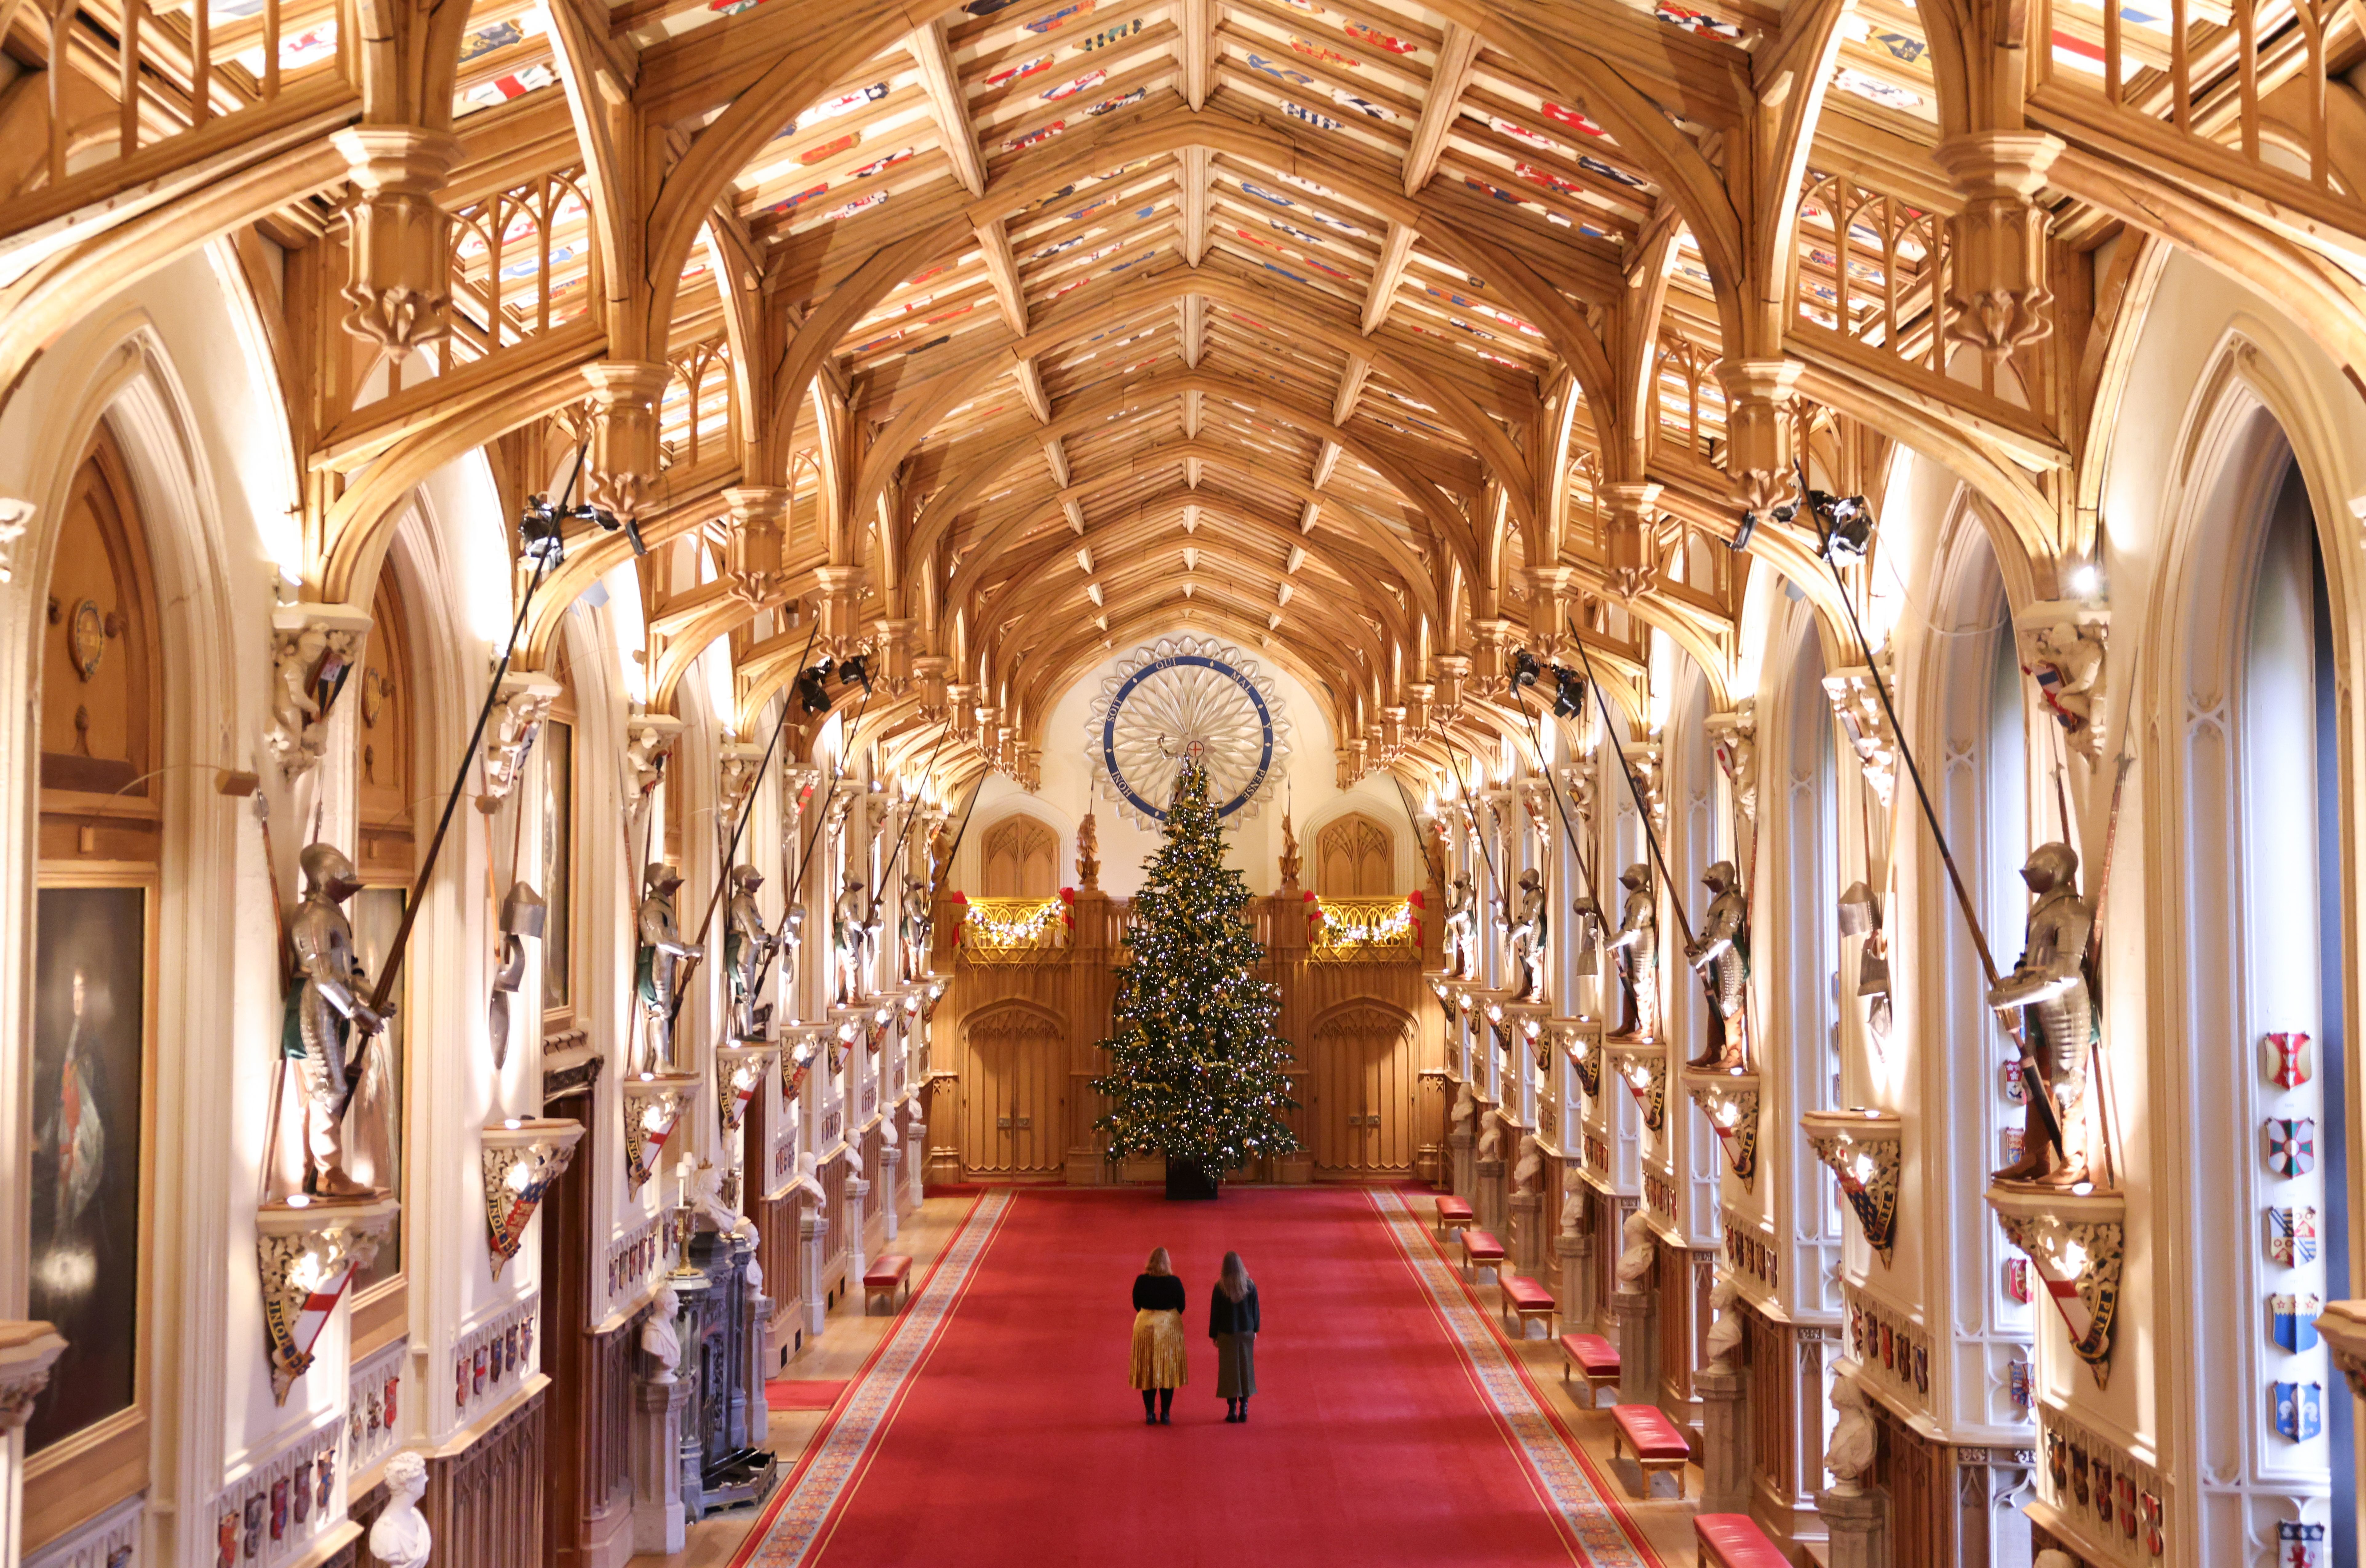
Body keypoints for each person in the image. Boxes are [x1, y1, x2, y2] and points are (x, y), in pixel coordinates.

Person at [1131, 1247, 1187, 1423]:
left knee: (1148, 1370)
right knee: (1167, 1371)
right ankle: (1166, 1414)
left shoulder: (1141, 1281)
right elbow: (1182, 1305)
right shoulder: (1175, 1282)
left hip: (1145, 1326)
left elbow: (1137, 1303)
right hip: (1168, 1327)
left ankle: (1149, 1413)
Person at [1208, 1251, 1260, 1423]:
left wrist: (1213, 1334)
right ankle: (1244, 1407)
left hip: (1227, 1333)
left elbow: (1215, 1313)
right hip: (1246, 1332)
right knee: (1246, 1369)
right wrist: (1256, 1329)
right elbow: (1255, 1311)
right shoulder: (1250, 1285)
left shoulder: (1220, 1287)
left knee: (1229, 1372)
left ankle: (1232, 1410)